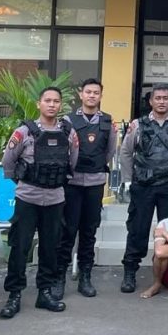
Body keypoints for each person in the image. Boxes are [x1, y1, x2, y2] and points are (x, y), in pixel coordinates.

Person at [0, 87, 79, 320]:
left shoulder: (68, 132)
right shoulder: (24, 132)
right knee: (20, 247)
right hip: (28, 198)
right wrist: (26, 182)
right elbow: (8, 162)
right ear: (38, 104)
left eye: (56, 101)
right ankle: (14, 294)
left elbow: (73, 161)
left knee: (50, 247)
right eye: (47, 100)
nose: (52, 105)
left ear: (61, 105)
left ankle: (45, 291)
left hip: (55, 199)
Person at [119, 84, 168, 294]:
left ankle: (166, 274)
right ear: (150, 101)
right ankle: (130, 272)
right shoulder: (138, 125)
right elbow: (126, 152)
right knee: (137, 228)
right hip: (143, 186)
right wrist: (128, 179)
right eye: (157, 98)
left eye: (165, 98)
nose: (161, 101)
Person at [55, 78, 118, 301]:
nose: (92, 96)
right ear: (80, 94)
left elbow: (110, 151)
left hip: (95, 182)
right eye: (88, 92)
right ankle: (59, 279)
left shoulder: (108, 122)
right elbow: (62, 149)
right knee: (67, 232)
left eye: (96, 93)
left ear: (101, 95)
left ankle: (85, 277)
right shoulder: (67, 121)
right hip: (72, 184)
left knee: (89, 232)